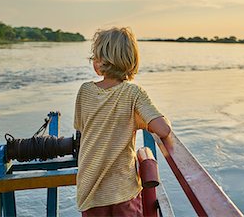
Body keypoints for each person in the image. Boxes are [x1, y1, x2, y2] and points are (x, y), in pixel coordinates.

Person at [74, 27, 173, 216]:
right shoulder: (133, 93)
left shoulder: (84, 91)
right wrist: (145, 121)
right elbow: (163, 130)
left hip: (89, 190)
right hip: (122, 190)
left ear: (99, 62)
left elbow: (83, 127)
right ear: (132, 61)